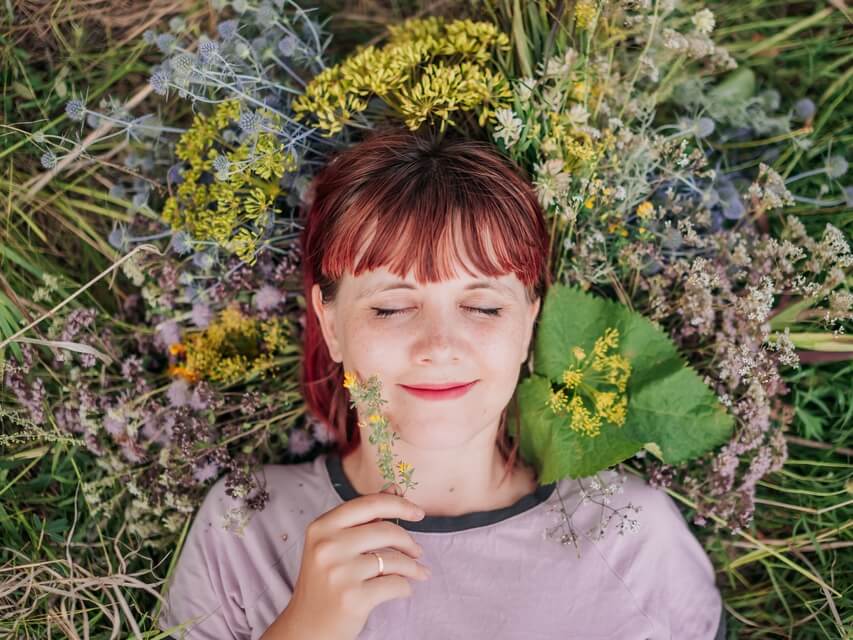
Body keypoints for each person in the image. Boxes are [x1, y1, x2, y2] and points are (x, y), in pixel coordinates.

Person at [157, 125, 727, 639]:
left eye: (482, 307)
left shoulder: (633, 543)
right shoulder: (246, 525)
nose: (439, 345)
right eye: (391, 307)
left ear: (528, 325)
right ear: (330, 326)